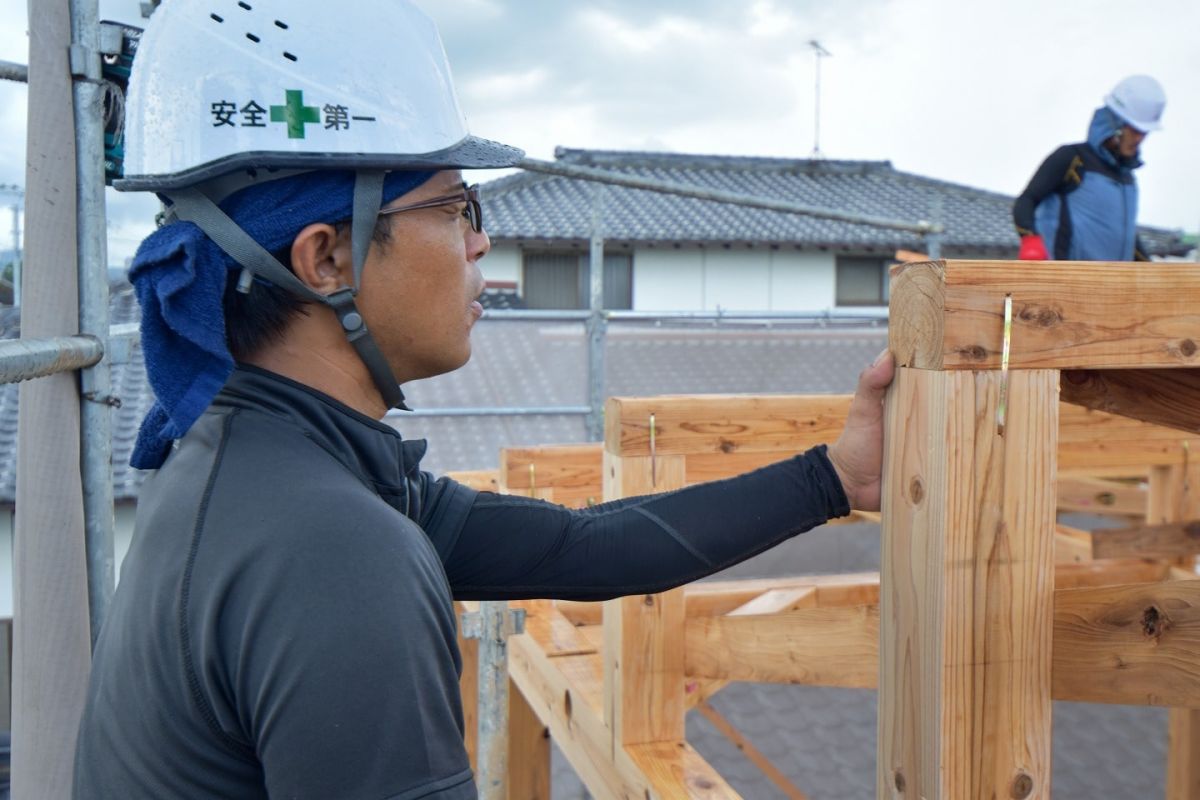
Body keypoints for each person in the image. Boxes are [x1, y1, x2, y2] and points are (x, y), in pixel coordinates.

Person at [71, 2, 894, 798]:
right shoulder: (334, 552)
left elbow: (582, 551)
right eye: (455, 205)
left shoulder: (266, 462)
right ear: (325, 259)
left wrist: (835, 478)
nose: (482, 239)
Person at [1012, 74, 1165, 262]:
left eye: (1145, 133)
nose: (1140, 139)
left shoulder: (1128, 180)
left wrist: (1150, 270)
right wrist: (1031, 240)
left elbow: (1125, 237)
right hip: (1065, 283)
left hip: (1111, 288)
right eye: (1135, 131)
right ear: (1114, 125)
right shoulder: (1073, 159)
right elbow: (1027, 200)